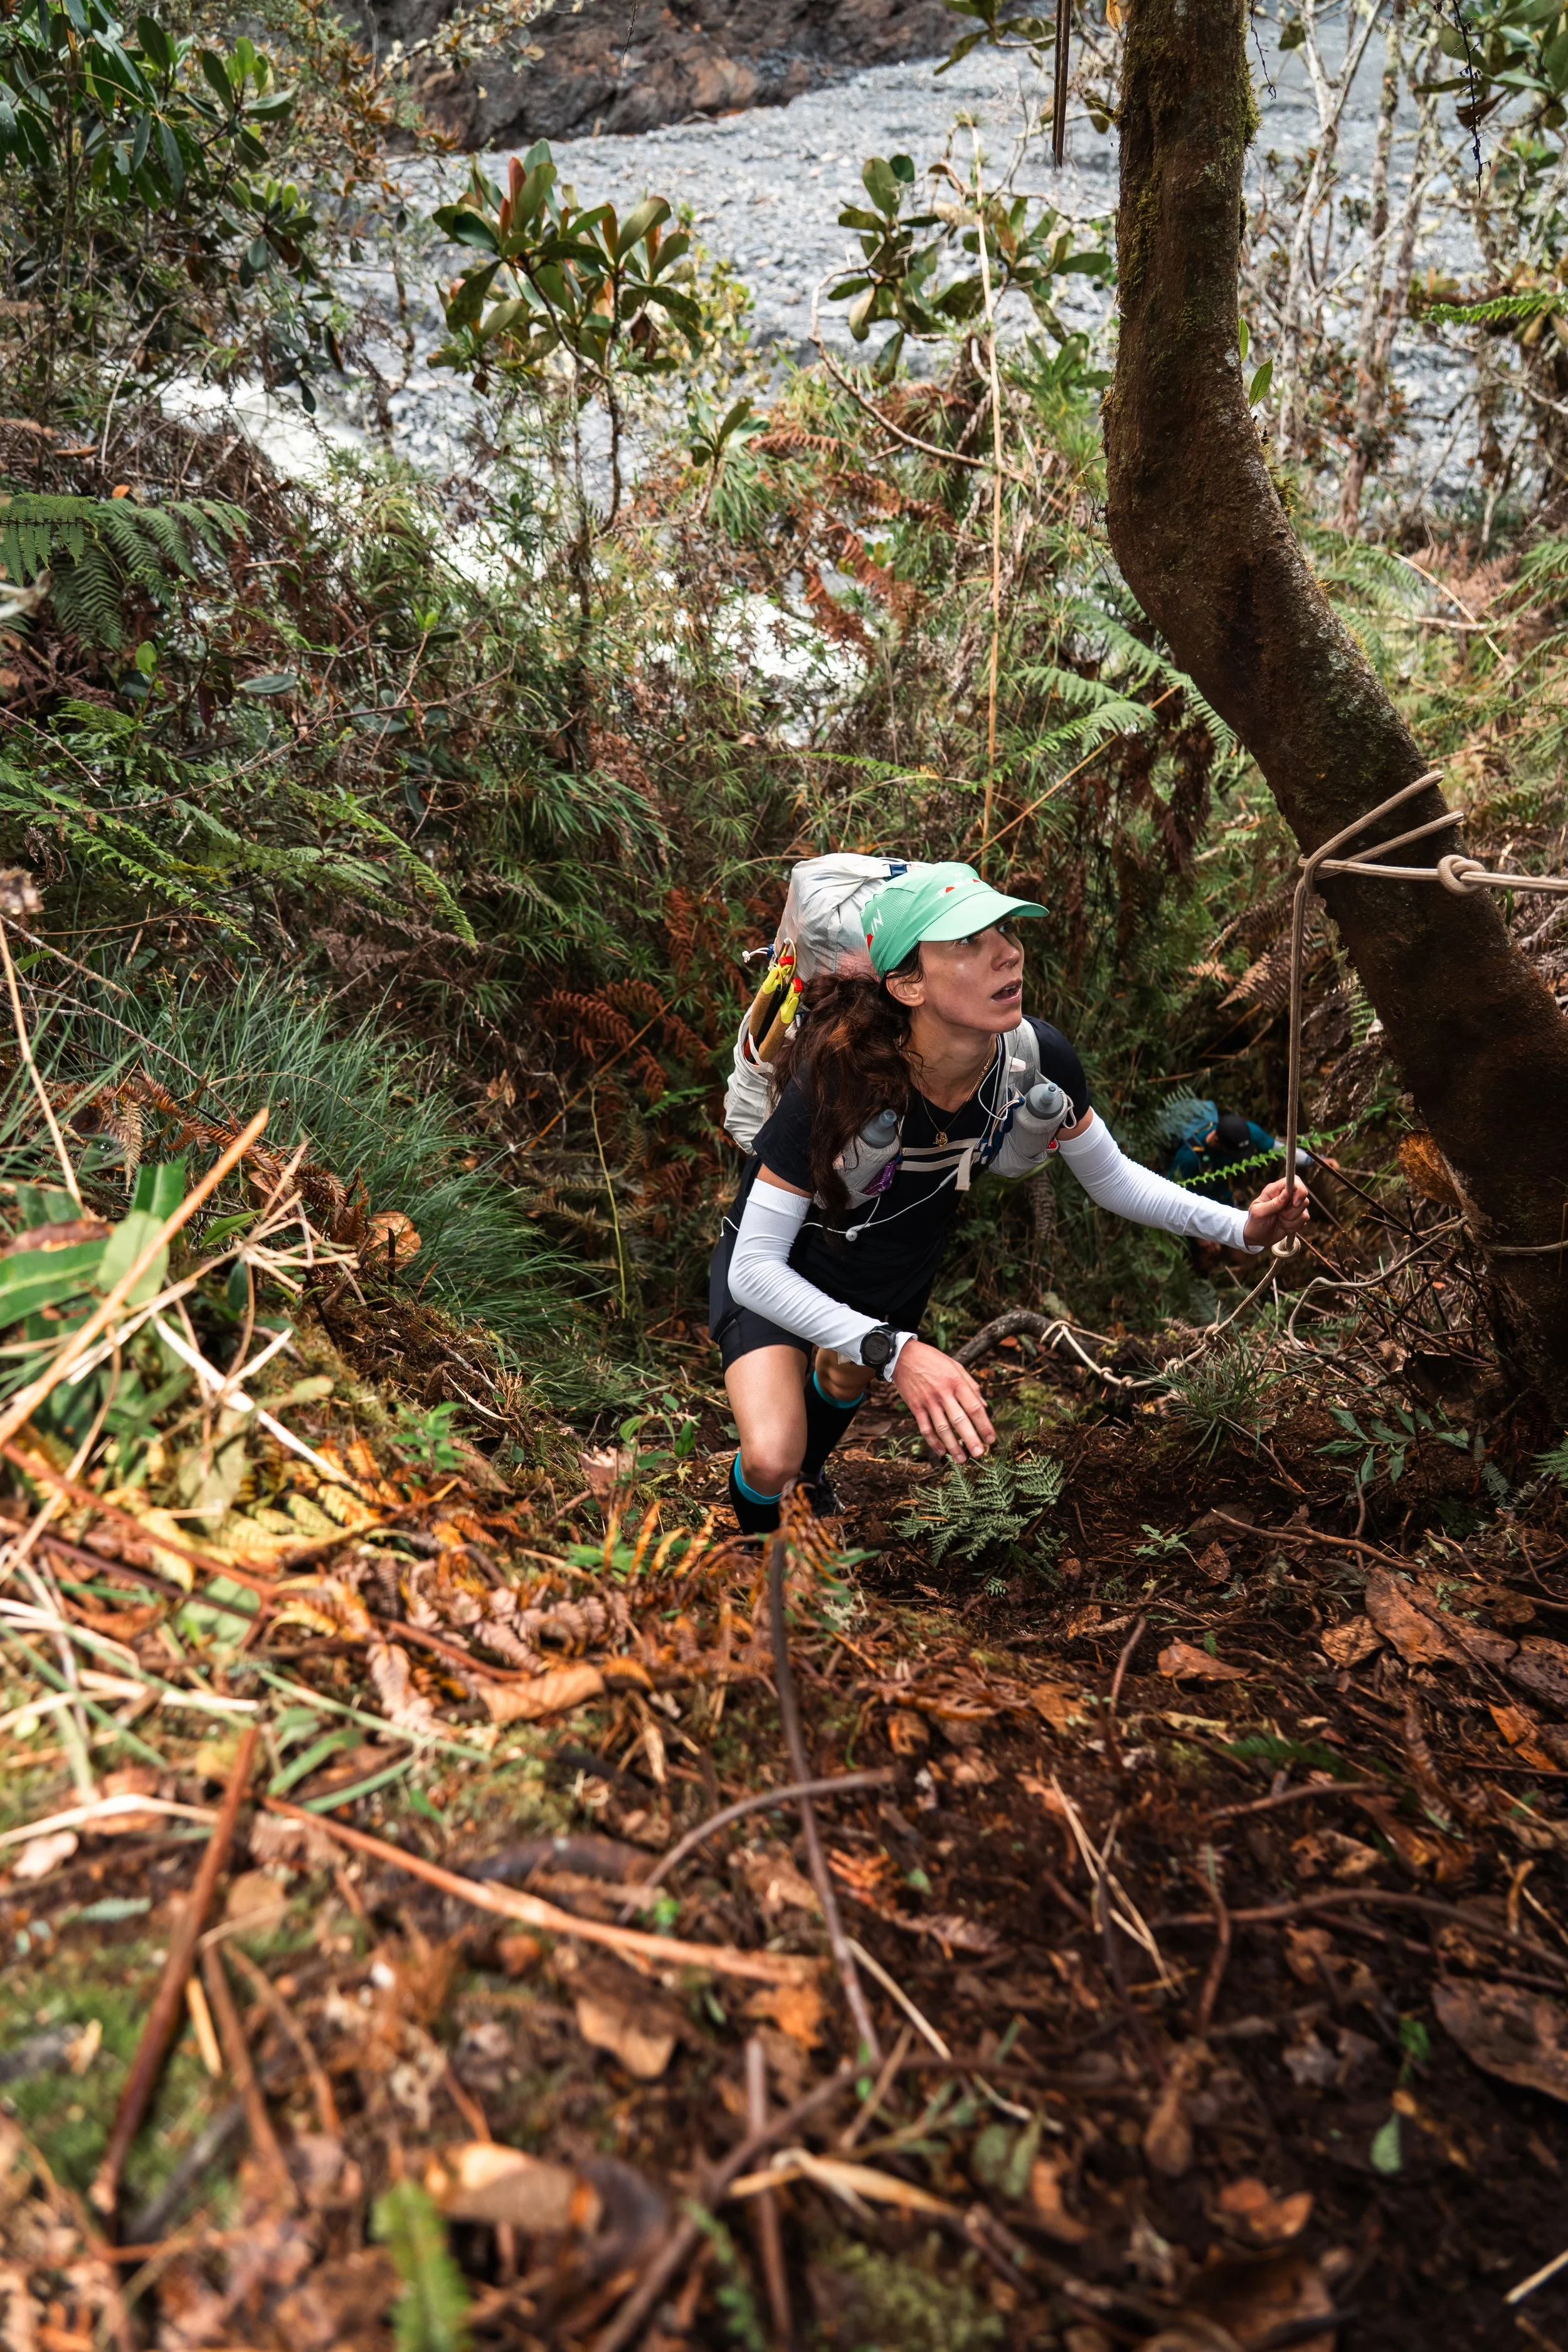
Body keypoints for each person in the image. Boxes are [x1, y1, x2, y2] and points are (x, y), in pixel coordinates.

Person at [708, 864, 1310, 1534]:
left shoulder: (1034, 1057)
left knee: (843, 1382)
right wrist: (899, 1352)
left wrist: (1244, 1229)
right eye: (966, 941)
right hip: (783, 1263)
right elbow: (755, 1267)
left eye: (1002, 930)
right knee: (770, 1456)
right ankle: (761, 1571)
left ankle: (813, 1477)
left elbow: (1110, 1177)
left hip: (893, 1270)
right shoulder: (840, 1074)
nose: (1006, 951)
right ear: (908, 984)